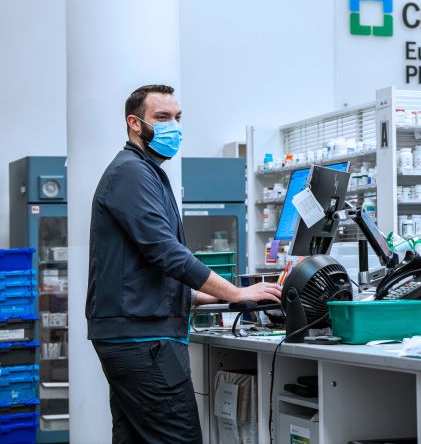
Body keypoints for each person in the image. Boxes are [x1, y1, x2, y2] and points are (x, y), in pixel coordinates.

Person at [86, 84, 282, 443]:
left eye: (177, 118)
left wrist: (198, 297)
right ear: (134, 123)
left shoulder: (145, 172)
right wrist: (235, 292)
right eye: (162, 118)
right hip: (144, 339)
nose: (173, 126)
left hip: (134, 334)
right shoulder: (132, 172)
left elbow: (140, 266)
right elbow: (165, 251)